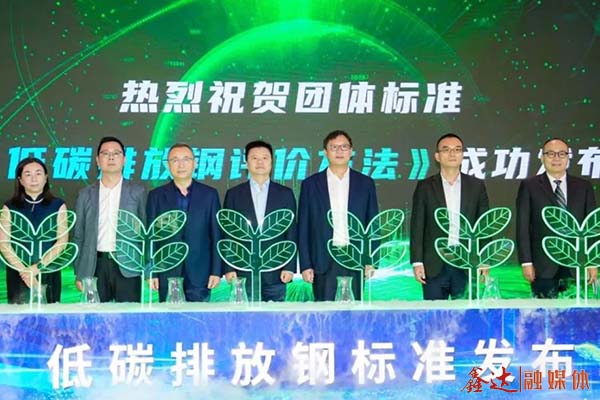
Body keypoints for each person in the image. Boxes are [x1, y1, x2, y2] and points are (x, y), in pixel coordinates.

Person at [298, 130, 378, 301]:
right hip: (323, 259)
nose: (339, 151)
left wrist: (371, 259)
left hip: (356, 258)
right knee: (324, 312)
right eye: (334, 147)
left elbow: (373, 224)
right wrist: (305, 264)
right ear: (325, 152)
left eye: (344, 147)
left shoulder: (365, 183)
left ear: (351, 151)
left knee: (354, 310)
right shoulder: (310, 184)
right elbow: (303, 227)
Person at [410, 133, 489, 300]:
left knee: (467, 313)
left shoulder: (476, 186)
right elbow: (417, 225)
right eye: (446, 150)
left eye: (457, 149)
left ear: (462, 155)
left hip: (466, 262)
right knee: (435, 314)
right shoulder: (425, 187)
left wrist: (484, 259)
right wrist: (417, 262)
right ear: (437, 156)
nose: (452, 154)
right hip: (434, 264)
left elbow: (484, 224)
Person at [517, 137, 597, 298]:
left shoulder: (584, 186)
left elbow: (592, 226)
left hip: (577, 263)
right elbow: (523, 226)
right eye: (551, 154)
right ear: (542, 157)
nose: (556, 158)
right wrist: (526, 262)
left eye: (561, 154)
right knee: (543, 311)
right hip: (543, 266)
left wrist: (592, 261)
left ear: (568, 157)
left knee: (577, 311)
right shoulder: (530, 185)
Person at [72, 136, 146, 302]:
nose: (111, 157)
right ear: (98, 161)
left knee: (128, 315)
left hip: (128, 266)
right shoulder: (85, 194)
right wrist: (80, 272)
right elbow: (78, 236)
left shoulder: (138, 192)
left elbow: (145, 232)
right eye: (105, 154)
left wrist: (147, 268)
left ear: (124, 160)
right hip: (94, 266)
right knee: (95, 316)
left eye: (116, 153)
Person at [147, 143, 222, 302]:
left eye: (186, 159)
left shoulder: (209, 195)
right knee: (169, 315)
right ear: (168, 165)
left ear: (195, 163)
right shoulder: (156, 196)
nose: (181, 165)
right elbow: (151, 237)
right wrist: (151, 271)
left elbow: (216, 235)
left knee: (199, 315)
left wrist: (216, 271)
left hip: (200, 271)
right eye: (175, 160)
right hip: (167, 270)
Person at [223, 140, 297, 301]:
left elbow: (291, 232)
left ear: (272, 162)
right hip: (243, 270)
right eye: (254, 158)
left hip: (276, 270)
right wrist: (229, 267)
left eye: (264, 158)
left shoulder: (285, 194)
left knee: (275, 315)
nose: (260, 162)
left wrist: (289, 266)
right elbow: (228, 234)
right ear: (246, 163)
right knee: (244, 314)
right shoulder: (234, 194)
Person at [0, 158, 68, 304]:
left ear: (46, 178)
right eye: (28, 174)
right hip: (18, 272)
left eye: (38, 173)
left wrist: (37, 268)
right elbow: (4, 244)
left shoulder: (58, 205)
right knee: (19, 315)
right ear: (20, 180)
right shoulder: (9, 207)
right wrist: (25, 272)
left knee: (50, 314)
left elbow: (62, 241)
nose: (34, 179)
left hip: (48, 269)